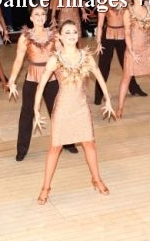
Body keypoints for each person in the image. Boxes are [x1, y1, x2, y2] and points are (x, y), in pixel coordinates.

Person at [33, 20, 117, 204]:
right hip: (63, 108)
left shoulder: (86, 56)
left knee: (89, 144)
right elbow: (42, 84)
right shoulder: (55, 59)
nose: (71, 35)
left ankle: (97, 179)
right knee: (55, 147)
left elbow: (99, 76)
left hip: (81, 107)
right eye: (67, 32)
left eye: (74, 32)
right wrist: (36, 110)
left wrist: (108, 99)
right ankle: (45, 188)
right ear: (60, 37)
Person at [6, 6, 79, 160]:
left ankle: (68, 143)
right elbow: (18, 60)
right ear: (31, 18)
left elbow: (64, 54)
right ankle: (21, 150)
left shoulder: (54, 35)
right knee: (27, 114)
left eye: (43, 14)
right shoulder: (25, 37)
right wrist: (11, 80)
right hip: (32, 78)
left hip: (51, 78)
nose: (40, 17)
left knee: (58, 111)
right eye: (36, 14)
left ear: (46, 17)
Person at [94, 0, 147, 105]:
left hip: (123, 35)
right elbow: (100, 24)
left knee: (127, 63)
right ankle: (98, 95)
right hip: (108, 36)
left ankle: (134, 88)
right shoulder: (104, 2)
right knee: (103, 66)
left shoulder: (126, 1)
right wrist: (98, 42)